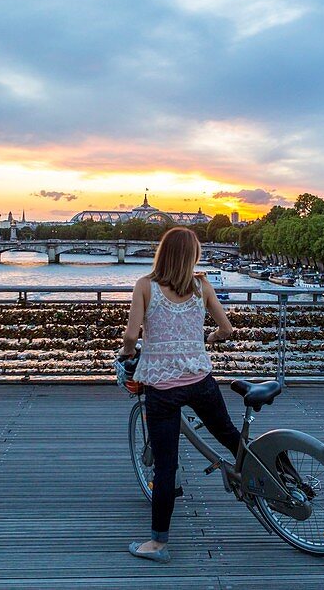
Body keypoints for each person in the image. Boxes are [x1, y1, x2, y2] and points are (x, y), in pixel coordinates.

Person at [117, 227, 236, 564]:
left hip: (162, 388)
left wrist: (127, 355)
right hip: (200, 378)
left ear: (163, 253)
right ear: (192, 256)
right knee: (228, 434)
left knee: (166, 465)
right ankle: (272, 478)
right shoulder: (202, 286)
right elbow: (227, 329)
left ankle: (159, 544)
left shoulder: (145, 286)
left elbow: (131, 335)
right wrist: (207, 340)